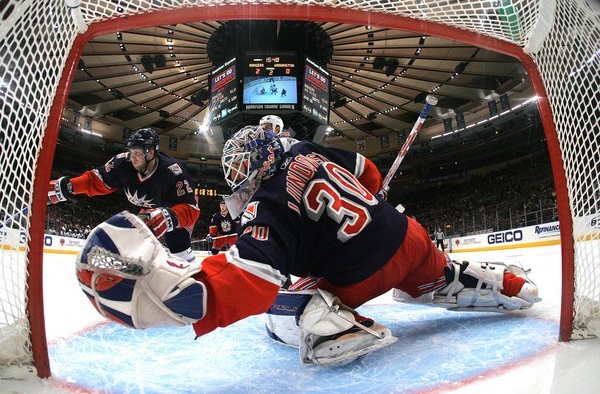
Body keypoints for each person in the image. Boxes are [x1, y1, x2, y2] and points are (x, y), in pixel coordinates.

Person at [75, 126, 540, 367]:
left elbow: (252, 281)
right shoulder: (308, 150)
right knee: (427, 266)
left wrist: (179, 296)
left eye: (239, 169)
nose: (236, 179)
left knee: (280, 301)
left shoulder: (267, 203)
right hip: (409, 236)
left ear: (257, 163)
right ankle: (496, 283)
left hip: (359, 271)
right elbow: (370, 174)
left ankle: (331, 328)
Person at [49, 128, 200, 261]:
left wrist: (168, 218)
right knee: (133, 243)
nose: (132, 157)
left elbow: (191, 209)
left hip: (176, 209)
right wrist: (69, 186)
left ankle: (189, 270)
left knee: (176, 241)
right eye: (131, 152)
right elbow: (96, 180)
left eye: (137, 153)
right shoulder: (123, 164)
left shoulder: (173, 172)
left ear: (151, 153)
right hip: (151, 209)